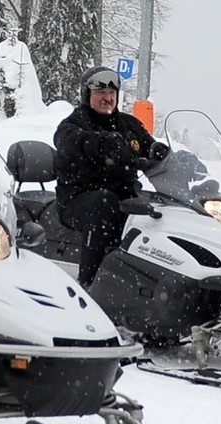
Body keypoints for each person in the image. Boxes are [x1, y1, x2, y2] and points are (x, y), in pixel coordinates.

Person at [53, 66, 169, 288]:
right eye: (100, 93)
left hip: (124, 196)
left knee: (158, 210)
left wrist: (164, 154)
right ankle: (89, 283)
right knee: (105, 203)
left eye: (112, 93)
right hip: (78, 198)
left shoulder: (128, 125)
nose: (107, 98)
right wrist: (103, 144)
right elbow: (68, 141)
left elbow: (148, 146)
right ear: (87, 96)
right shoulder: (73, 124)